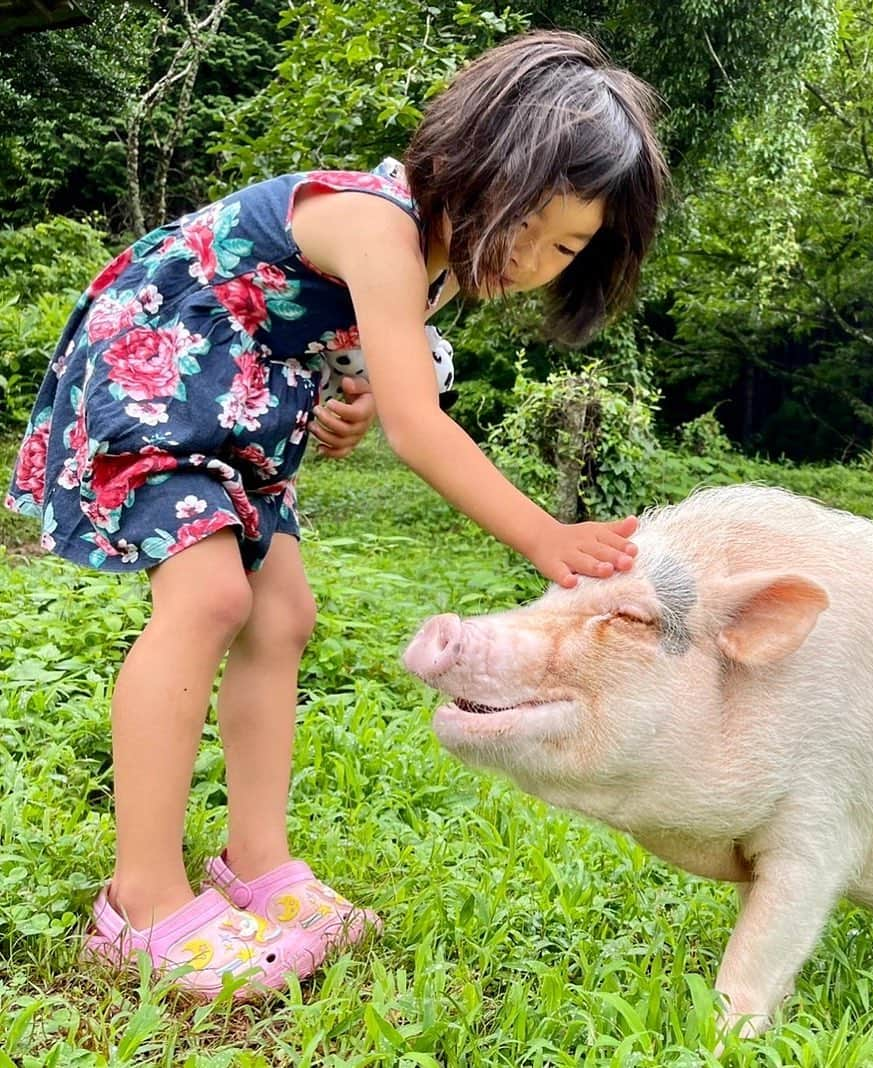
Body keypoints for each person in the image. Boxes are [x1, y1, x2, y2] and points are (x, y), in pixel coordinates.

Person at [5, 29, 669, 996]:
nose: (531, 260)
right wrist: (545, 535)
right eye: (527, 226)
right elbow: (419, 426)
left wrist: (347, 390)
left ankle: (257, 863)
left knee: (285, 615)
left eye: (564, 247)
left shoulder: (434, 264)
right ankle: (140, 900)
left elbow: (362, 349)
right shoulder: (374, 220)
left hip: (242, 408)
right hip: (157, 374)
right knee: (207, 603)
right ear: (477, 163)